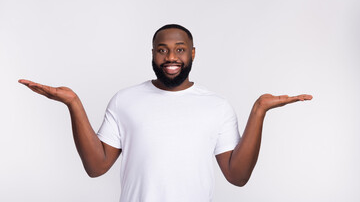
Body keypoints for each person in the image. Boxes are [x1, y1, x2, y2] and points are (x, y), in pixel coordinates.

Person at [19, 24, 312, 202]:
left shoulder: (216, 106)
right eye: (162, 50)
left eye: (179, 49)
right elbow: (96, 167)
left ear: (192, 54)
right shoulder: (125, 100)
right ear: (152, 53)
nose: (171, 57)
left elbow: (237, 176)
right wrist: (73, 103)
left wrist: (259, 110)